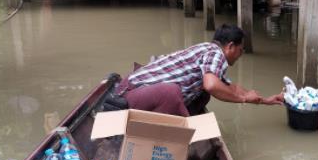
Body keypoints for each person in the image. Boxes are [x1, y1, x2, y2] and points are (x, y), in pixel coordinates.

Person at [114, 24, 282, 116]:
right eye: (241, 49)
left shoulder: (208, 52)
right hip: (128, 96)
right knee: (172, 92)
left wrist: (265, 100)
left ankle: (183, 120)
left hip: (134, 93)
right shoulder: (215, 53)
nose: (241, 54)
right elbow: (212, 85)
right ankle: (181, 130)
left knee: (201, 94)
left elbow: (232, 88)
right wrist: (243, 100)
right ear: (230, 46)